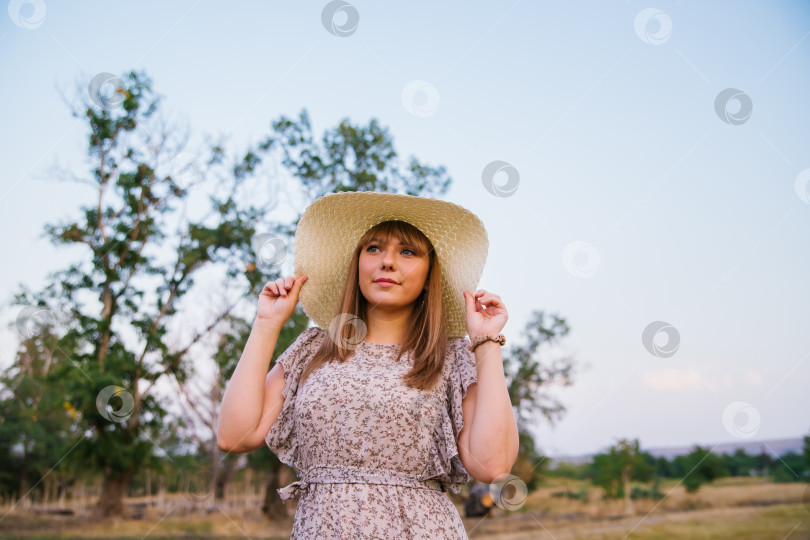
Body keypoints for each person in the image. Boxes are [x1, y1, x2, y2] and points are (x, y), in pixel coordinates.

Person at [217, 191, 519, 539]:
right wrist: (266, 324)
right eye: (373, 248)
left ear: (429, 273)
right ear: (358, 263)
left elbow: (493, 465)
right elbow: (234, 435)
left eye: (407, 251)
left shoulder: (450, 357)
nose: (387, 262)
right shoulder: (314, 349)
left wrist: (486, 343)